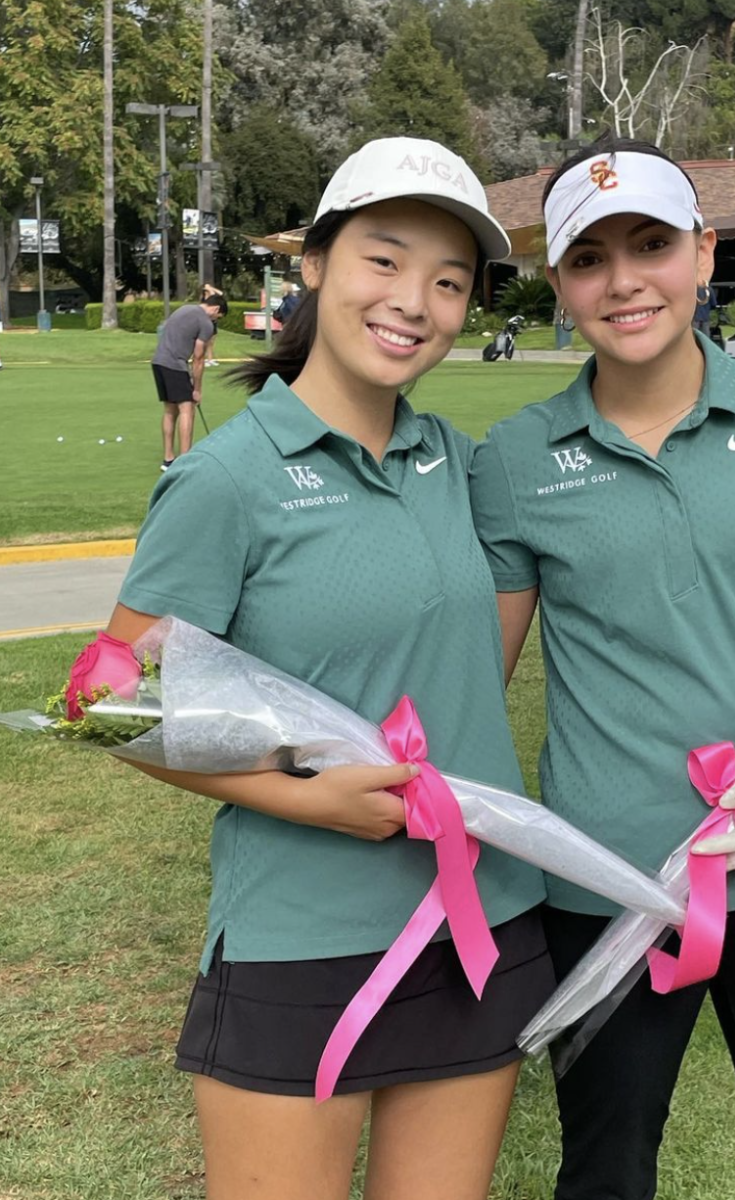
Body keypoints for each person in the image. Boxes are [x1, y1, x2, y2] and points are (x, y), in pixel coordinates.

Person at [101, 137, 553, 1200]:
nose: (416, 302)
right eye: (385, 262)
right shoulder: (226, 481)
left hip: (476, 921)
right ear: (314, 264)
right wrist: (314, 803)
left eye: (450, 282)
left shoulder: (454, 461)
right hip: (299, 937)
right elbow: (114, 703)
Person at [470, 134, 735, 1200]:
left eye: (650, 243)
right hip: (606, 881)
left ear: (704, 253)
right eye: (590, 258)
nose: (624, 280)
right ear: (558, 283)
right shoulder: (515, 460)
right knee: (605, 1172)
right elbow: (476, 677)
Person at [151, 291, 228, 471]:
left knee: (170, 410)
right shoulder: (206, 323)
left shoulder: (183, 309)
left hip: (158, 362)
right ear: (215, 309)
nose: (216, 321)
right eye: (218, 317)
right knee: (187, 409)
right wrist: (197, 389)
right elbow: (199, 357)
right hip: (175, 364)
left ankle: (168, 459)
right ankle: (185, 460)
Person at [200, 283, 224, 366]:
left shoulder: (213, 296)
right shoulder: (206, 299)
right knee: (206, 341)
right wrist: (209, 289)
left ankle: (210, 359)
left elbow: (221, 294)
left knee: (211, 342)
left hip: (214, 322)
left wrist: (212, 287)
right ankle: (204, 359)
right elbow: (214, 296)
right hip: (207, 321)